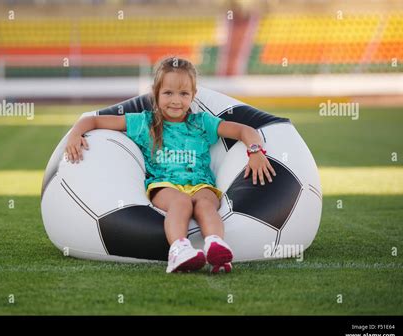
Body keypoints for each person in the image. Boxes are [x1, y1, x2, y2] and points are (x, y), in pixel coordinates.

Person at [65, 57, 276, 274]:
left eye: (184, 94)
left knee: (206, 204)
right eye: (168, 93)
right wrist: (75, 134)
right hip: (164, 185)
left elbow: (244, 131)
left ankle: (216, 246)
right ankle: (178, 250)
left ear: (193, 96)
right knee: (182, 203)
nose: (176, 100)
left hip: (201, 183)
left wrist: (255, 152)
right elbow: (94, 120)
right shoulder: (144, 122)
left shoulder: (202, 122)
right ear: (156, 93)